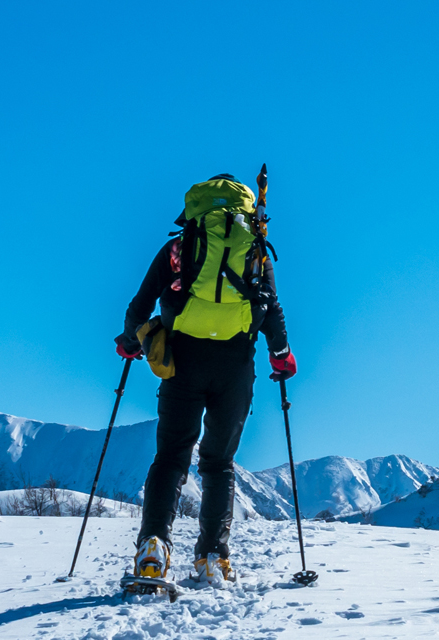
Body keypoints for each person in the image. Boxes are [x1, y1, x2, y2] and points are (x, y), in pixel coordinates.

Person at [115, 173, 296, 584]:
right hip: (235, 365)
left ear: (197, 207)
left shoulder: (180, 247)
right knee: (218, 463)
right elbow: (272, 308)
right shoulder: (255, 249)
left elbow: (140, 307)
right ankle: (214, 556)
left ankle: (153, 549)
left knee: (172, 456)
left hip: (183, 361)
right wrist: (281, 356)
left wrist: (130, 341)